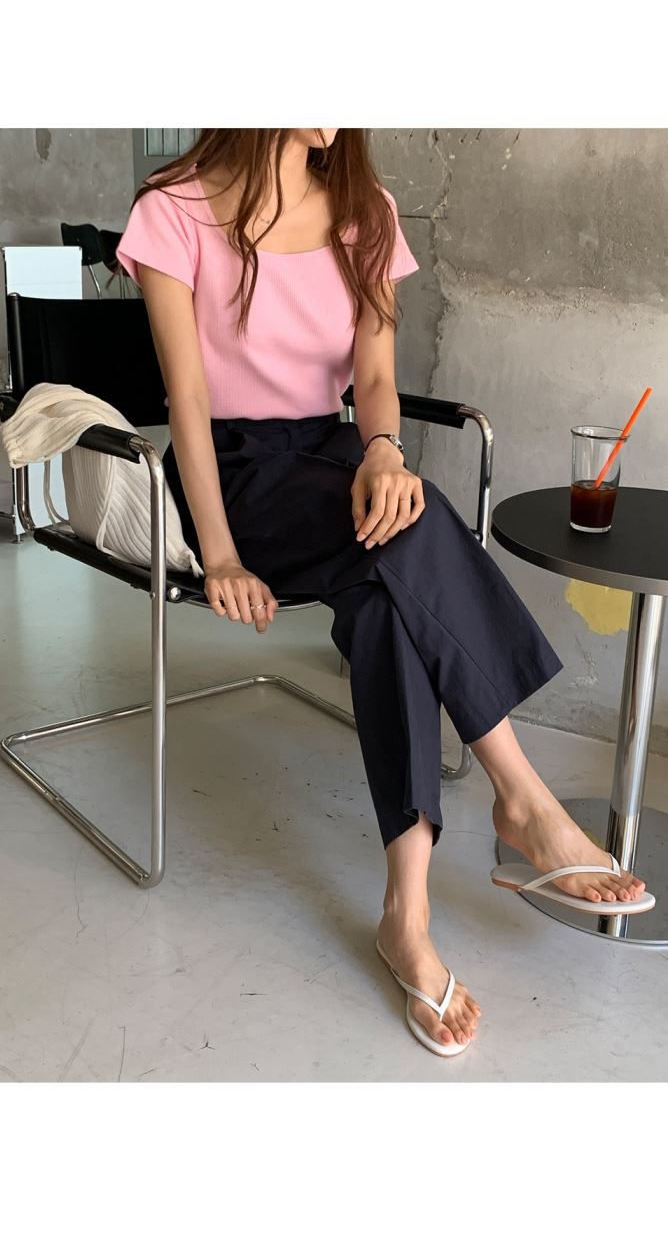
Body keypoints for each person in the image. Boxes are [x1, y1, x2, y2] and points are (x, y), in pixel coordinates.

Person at [115, 128, 649, 1058]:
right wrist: (223, 554)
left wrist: (384, 454)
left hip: (337, 456)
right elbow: (187, 403)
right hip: (234, 479)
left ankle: (407, 913)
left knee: (386, 592)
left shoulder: (367, 210)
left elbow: (373, 377)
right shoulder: (173, 211)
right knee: (415, 530)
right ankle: (521, 796)